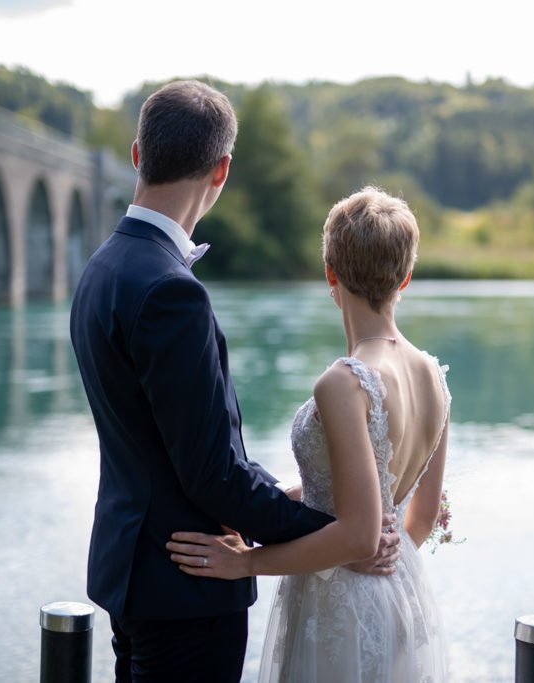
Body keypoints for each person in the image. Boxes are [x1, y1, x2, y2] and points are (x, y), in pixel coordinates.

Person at [69, 81, 399, 682]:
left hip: (132, 573)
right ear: (221, 170)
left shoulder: (102, 267)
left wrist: (303, 503)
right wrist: (345, 537)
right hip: (188, 586)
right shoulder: (172, 291)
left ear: (138, 154)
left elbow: (169, 447)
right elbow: (213, 474)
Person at [168, 186, 452, 681]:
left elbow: (359, 535)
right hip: (403, 598)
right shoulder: (433, 375)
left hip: (340, 606)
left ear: (330, 274)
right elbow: (419, 520)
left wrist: (246, 564)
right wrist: (373, 543)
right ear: (405, 278)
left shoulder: (344, 383)